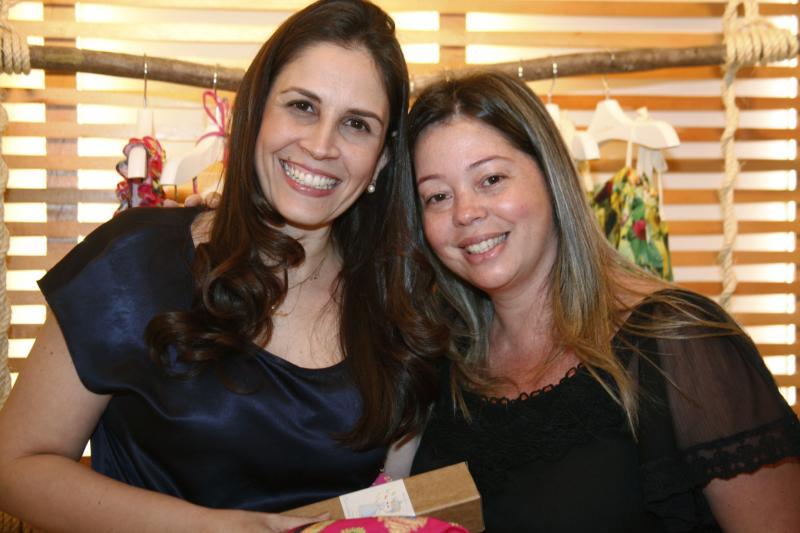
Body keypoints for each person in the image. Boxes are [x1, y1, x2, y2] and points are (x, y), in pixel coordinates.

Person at [0, 1, 446, 531]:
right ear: (255, 112)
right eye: (303, 106)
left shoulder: (396, 309)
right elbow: (15, 466)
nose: (321, 145)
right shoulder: (132, 261)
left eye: (356, 124)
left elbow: (391, 504)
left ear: (383, 159)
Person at [404, 71, 800, 532]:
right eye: (437, 196)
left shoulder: (679, 341)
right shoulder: (441, 358)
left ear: (551, 177)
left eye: (491, 179)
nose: (466, 212)